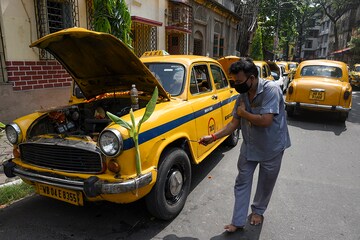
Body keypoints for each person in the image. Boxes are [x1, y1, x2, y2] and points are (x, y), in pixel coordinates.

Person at [199, 58, 291, 232]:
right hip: (250, 146)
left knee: (265, 183)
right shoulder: (242, 96)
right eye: (234, 82)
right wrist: (213, 137)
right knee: (241, 181)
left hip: (272, 147)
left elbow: (266, 121)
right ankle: (238, 221)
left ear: (252, 78)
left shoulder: (271, 90)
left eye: (239, 82)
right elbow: (233, 124)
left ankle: (258, 211)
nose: (236, 85)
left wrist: (244, 113)